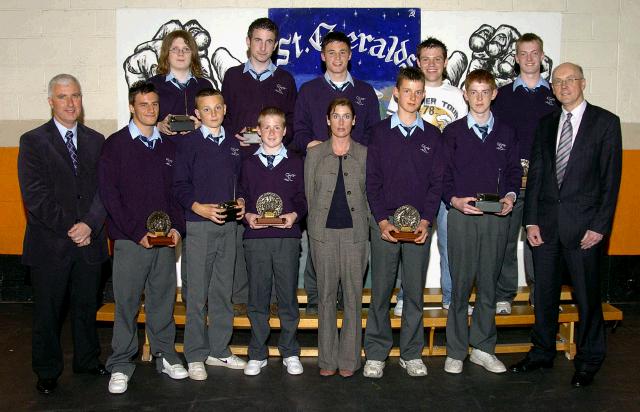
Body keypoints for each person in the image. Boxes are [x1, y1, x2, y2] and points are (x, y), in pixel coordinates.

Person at [510, 62, 622, 388]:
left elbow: (610, 181)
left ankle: (588, 362)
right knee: (544, 296)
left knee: (587, 300)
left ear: (583, 82)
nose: (564, 86)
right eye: (557, 82)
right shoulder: (546, 124)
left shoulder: (605, 123)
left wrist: (600, 227)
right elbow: (538, 178)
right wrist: (529, 220)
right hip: (545, 229)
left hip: (586, 230)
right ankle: (542, 353)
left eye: (570, 80)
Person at [17, 74, 109, 395]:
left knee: (86, 307)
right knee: (48, 313)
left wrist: (90, 225)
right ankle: (47, 371)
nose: (70, 103)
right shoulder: (32, 141)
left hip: (90, 243)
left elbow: (104, 191)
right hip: (51, 244)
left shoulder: (98, 140)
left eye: (76, 96)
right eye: (63, 97)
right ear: (51, 101)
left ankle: (86, 360)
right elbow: (35, 197)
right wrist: (73, 227)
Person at [100, 81, 187, 394]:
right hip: (130, 241)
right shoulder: (115, 145)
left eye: (154, 104)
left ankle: (165, 355)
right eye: (143, 104)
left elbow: (177, 193)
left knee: (163, 301)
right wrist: (138, 233)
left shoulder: (168, 146)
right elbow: (110, 196)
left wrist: (177, 226)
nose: (150, 109)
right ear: (131, 107)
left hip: (164, 242)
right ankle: (121, 363)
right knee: (126, 304)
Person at [363, 67, 443, 379]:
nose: (412, 97)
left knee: (413, 293)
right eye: (406, 91)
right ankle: (377, 353)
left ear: (424, 94)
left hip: (419, 225)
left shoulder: (432, 135)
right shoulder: (379, 133)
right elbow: (372, 182)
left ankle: (411, 353)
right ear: (396, 92)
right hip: (386, 222)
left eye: (418, 91)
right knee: (381, 292)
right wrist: (382, 221)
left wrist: (426, 221)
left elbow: (436, 184)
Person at [295, 30, 380, 314]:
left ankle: (349, 301)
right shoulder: (308, 90)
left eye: (343, 52)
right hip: (321, 173)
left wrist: (351, 151)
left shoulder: (365, 92)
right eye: (331, 52)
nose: (337, 58)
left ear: (350, 55)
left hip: (355, 174)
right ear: (322, 56)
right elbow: (299, 132)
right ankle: (317, 300)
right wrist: (319, 147)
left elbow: (373, 135)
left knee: (355, 241)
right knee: (317, 237)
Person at [441, 69, 520, 375]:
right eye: (473, 92)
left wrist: (510, 198)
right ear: (465, 94)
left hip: (496, 218)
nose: (478, 98)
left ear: (494, 94)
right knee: (460, 287)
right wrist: (455, 200)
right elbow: (443, 176)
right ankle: (456, 351)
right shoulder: (453, 132)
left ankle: (484, 348)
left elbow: (514, 171)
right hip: (462, 216)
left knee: (488, 285)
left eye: (484, 92)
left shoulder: (507, 132)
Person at [221, 17, 298, 316]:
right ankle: (241, 298)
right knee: (240, 227)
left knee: (274, 227)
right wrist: (235, 137)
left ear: (276, 45)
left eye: (269, 41)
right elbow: (221, 119)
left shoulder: (285, 80)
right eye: (258, 40)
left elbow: (291, 125)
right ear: (248, 41)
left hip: (275, 166)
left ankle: (279, 300)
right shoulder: (231, 77)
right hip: (238, 163)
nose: (263, 47)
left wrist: (273, 136)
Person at [387, 37, 468, 317]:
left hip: (447, 182)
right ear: (417, 62)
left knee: (449, 244)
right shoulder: (405, 92)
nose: (431, 64)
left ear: (445, 63)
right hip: (412, 184)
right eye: (426, 59)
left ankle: (450, 296)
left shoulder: (459, 96)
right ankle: (402, 297)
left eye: (437, 59)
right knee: (402, 238)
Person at [173, 88, 247, 381]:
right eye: (207, 109)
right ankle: (195, 354)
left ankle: (219, 348)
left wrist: (240, 201)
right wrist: (198, 208)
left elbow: (239, 182)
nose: (213, 113)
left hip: (228, 227)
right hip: (200, 226)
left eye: (218, 108)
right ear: (197, 114)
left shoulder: (232, 144)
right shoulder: (188, 143)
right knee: (197, 293)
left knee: (222, 291)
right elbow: (178, 185)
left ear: (225, 109)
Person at [492, 33, 560, 314]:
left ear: (542, 57)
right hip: (510, 181)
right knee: (506, 240)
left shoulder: (556, 95)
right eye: (523, 53)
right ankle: (504, 294)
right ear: (516, 58)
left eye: (534, 53)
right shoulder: (503, 96)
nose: (529, 58)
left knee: (540, 240)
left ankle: (540, 294)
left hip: (545, 184)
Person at [239, 107, 306, 376]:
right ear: (258, 130)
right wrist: (247, 215)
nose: (271, 132)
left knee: (287, 297)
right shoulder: (247, 164)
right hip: (256, 238)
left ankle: (289, 351)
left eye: (277, 127)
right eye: (266, 127)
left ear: (285, 131)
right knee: (257, 297)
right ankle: (257, 352)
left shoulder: (296, 162)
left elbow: (303, 198)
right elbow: (241, 197)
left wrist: (294, 215)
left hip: (287, 238)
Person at [148, 29, 213, 306]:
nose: (181, 53)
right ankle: (158, 301)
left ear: (193, 53)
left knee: (196, 236)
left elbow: (218, 118)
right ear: (166, 53)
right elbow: (143, 119)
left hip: (198, 168)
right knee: (166, 228)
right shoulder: (155, 85)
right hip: (165, 164)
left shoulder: (204, 85)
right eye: (175, 48)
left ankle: (194, 299)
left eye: (186, 48)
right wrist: (158, 124)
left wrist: (204, 124)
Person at [305, 98, 369, 377]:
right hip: (323, 236)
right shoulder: (315, 154)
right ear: (328, 120)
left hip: (355, 236)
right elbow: (309, 195)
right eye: (336, 116)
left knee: (353, 298)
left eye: (346, 116)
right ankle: (327, 360)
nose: (341, 121)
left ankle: (349, 361)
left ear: (354, 120)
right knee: (327, 298)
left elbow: (369, 196)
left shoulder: (365, 154)